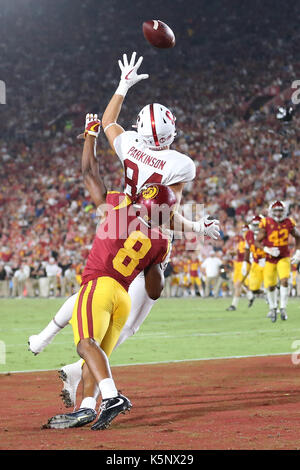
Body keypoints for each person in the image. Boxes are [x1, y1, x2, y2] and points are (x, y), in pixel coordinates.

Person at [28, 52, 220, 407]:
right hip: (151, 236)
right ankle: (93, 384)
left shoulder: (130, 143)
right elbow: (166, 212)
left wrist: (123, 85)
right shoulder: (179, 164)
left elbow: (107, 123)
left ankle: (50, 344)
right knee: (126, 322)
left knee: (97, 283)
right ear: (168, 136)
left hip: (119, 216)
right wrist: (195, 227)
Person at [44, 119, 175, 430]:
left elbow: (89, 173)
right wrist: (158, 259)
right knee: (97, 352)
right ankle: (88, 406)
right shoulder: (161, 241)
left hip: (100, 286)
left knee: (85, 345)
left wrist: (91, 135)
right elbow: (155, 290)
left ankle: (112, 396)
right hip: (124, 297)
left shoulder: (119, 207)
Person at [256, 200, 300, 322]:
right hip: (270, 259)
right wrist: (267, 249)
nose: (279, 213)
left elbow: (298, 237)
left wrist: (298, 252)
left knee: (284, 280)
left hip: (284, 257)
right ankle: (273, 307)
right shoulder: (265, 222)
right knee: (270, 285)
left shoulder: (289, 222)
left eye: (280, 211)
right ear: (271, 211)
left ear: (284, 211)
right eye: (276, 210)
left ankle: (283, 307)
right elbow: (257, 242)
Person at [242, 215, 266, 308]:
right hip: (255, 262)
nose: (256, 227)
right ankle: (265, 297)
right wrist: (245, 262)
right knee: (253, 287)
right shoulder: (248, 234)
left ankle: (274, 306)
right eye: (254, 225)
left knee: (270, 284)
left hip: (267, 260)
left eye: (258, 225)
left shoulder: (267, 233)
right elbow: (247, 249)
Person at [226, 224, 249, 311]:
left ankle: (234, 305)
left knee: (238, 285)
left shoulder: (250, 242)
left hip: (246, 264)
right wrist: (230, 252)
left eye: (245, 231)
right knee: (237, 285)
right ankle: (249, 296)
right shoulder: (240, 243)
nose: (244, 233)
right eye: (243, 231)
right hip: (238, 264)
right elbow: (236, 252)